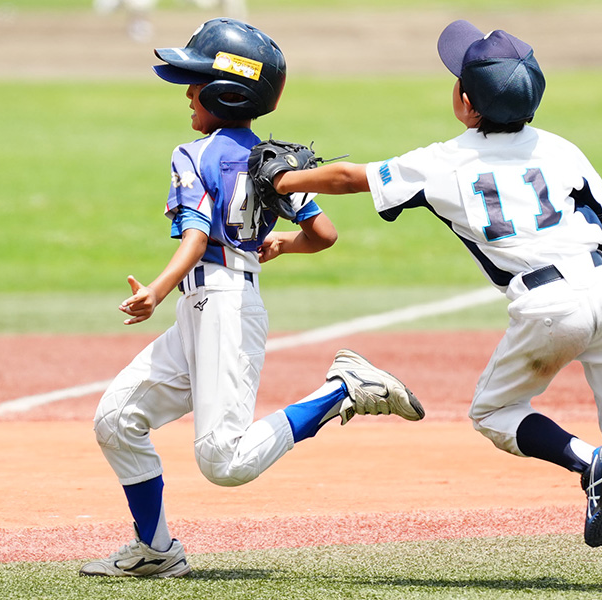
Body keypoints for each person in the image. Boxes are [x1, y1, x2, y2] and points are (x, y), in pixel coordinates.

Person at [266, 19, 602, 595]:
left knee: (492, 412)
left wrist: (282, 178)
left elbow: (352, 177)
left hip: (547, 304)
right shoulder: (560, 147)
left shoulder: (446, 160)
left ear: (466, 104)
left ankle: (587, 464)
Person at [79, 18, 424, 579]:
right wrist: (281, 243)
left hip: (222, 310)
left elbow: (195, 238)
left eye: (195, 83)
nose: (188, 94)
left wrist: (155, 292)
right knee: (117, 420)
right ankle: (156, 551)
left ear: (223, 92)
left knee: (225, 461)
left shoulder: (192, 154)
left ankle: (343, 391)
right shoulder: (272, 159)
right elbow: (324, 235)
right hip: (212, 312)